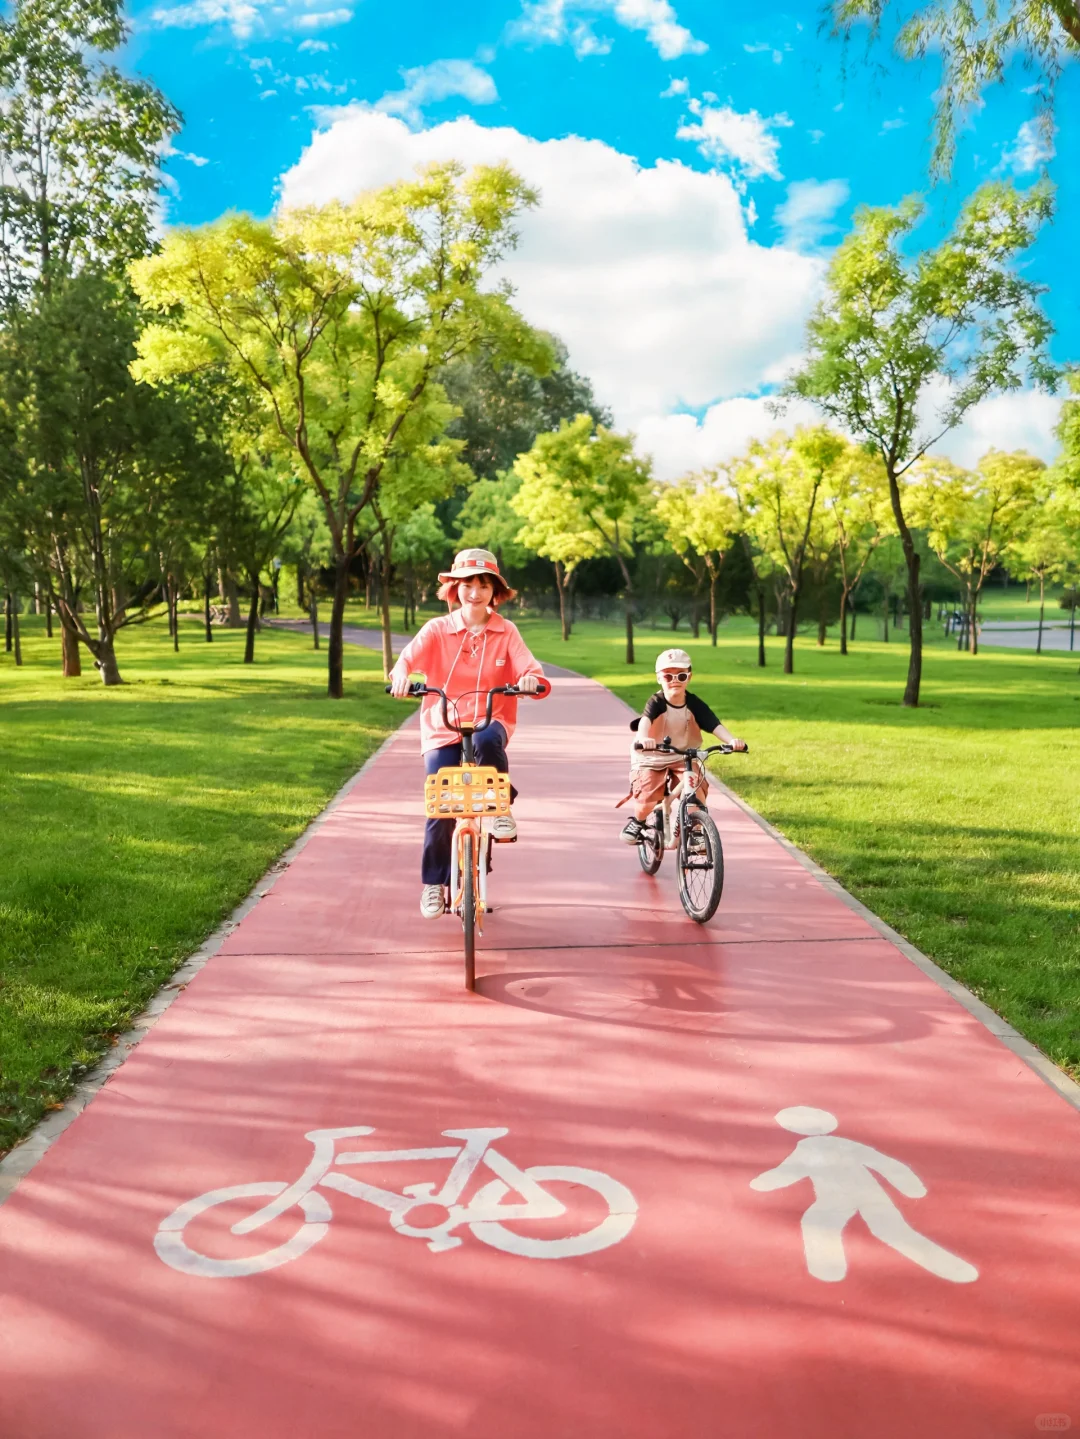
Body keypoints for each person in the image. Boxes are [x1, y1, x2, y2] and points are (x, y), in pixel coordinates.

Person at [388, 548, 547, 919]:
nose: (475, 593)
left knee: (490, 740)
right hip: (443, 724)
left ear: (495, 591)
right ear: (454, 589)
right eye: (468, 585)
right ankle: (433, 884)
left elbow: (530, 668)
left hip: (491, 718)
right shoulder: (437, 629)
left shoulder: (506, 631)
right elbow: (407, 658)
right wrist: (401, 675)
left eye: (483, 585)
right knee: (441, 801)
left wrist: (529, 680)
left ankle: (501, 806)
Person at [620, 647, 746, 845]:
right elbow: (645, 721)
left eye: (680, 675)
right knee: (647, 795)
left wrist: (731, 741)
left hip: (683, 755)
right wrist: (644, 738)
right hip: (651, 755)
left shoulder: (694, 703)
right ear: (659, 678)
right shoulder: (656, 701)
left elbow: (714, 724)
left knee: (696, 791)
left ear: (689, 676)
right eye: (668, 676)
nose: (674, 681)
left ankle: (696, 831)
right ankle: (639, 821)